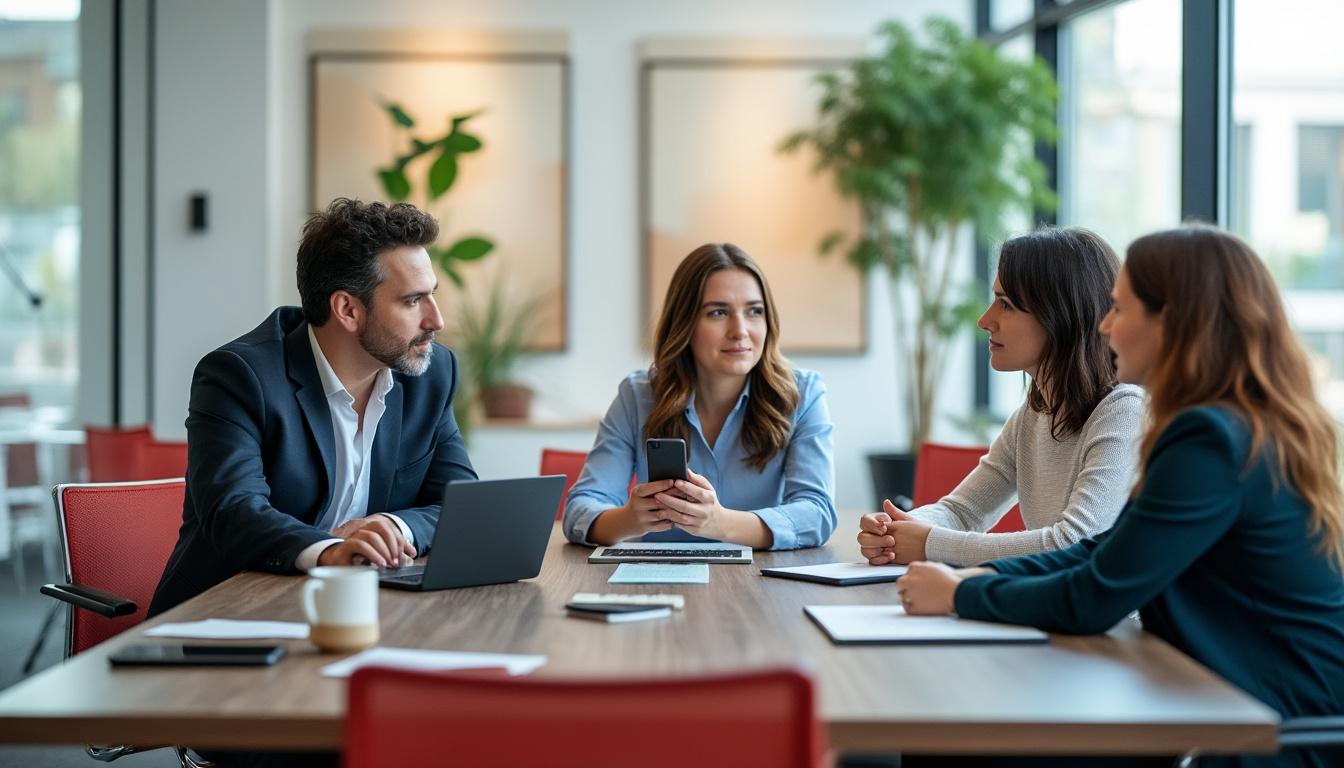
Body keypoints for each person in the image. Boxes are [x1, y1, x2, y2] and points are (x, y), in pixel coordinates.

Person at [897, 226, 1344, 768]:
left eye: (1119, 309)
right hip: (1228, 707)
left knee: (951, 743)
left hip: (1273, 733)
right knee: (946, 737)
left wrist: (962, 593)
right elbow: (1101, 550)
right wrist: (973, 576)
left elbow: (1095, 595)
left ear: (1172, 323)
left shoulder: (1209, 439)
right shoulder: (1220, 426)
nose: (1104, 325)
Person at [150, 198, 477, 617]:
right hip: (228, 613)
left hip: (360, 610)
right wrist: (331, 551)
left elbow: (459, 501)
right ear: (348, 310)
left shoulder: (430, 374)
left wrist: (393, 527)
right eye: (413, 301)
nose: (436, 320)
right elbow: (234, 511)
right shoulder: (240, 376)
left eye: (432, 295)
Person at [859, 228, 1143, 567]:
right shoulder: (1033, 415)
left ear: (1060, 314)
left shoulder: (1124, 411)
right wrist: (895, 530)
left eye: (1005, 304)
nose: (985, 320)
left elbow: (1073, 545)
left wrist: (930, 543)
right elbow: (962, 512)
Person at [563, 243, 835, 550]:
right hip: (659, 574)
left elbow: (817, 513)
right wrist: (630, 519)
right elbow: (579, 510)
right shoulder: (637, 396)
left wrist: (720, 523)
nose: (740, 330)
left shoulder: (803, 394)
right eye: (718, 312)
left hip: (761, 574)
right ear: (684, 324)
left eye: (754, 311)